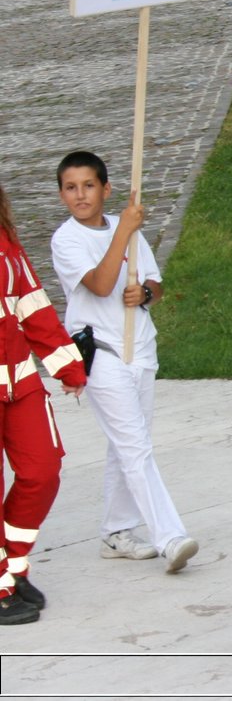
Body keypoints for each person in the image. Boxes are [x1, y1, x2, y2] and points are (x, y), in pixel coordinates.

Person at [52, 151, 199, 573]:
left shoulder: (126, 229)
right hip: (101, 354)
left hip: (141, 348)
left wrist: (146, 294)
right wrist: (126, 230)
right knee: (136, 448)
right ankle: (170, 537)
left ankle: (116, 533)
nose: (80, 195)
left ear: (106, 188)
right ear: (62, 194)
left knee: (126, 446)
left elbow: (155, 282)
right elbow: (99, 285)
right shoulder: (67, 240)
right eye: (70, 187)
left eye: (88, 185)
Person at [0, 178, 86, 625]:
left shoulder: (5, 237)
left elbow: (32, 304)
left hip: (21, 385)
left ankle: (12, 569)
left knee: (42, 471)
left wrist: (66, 364)